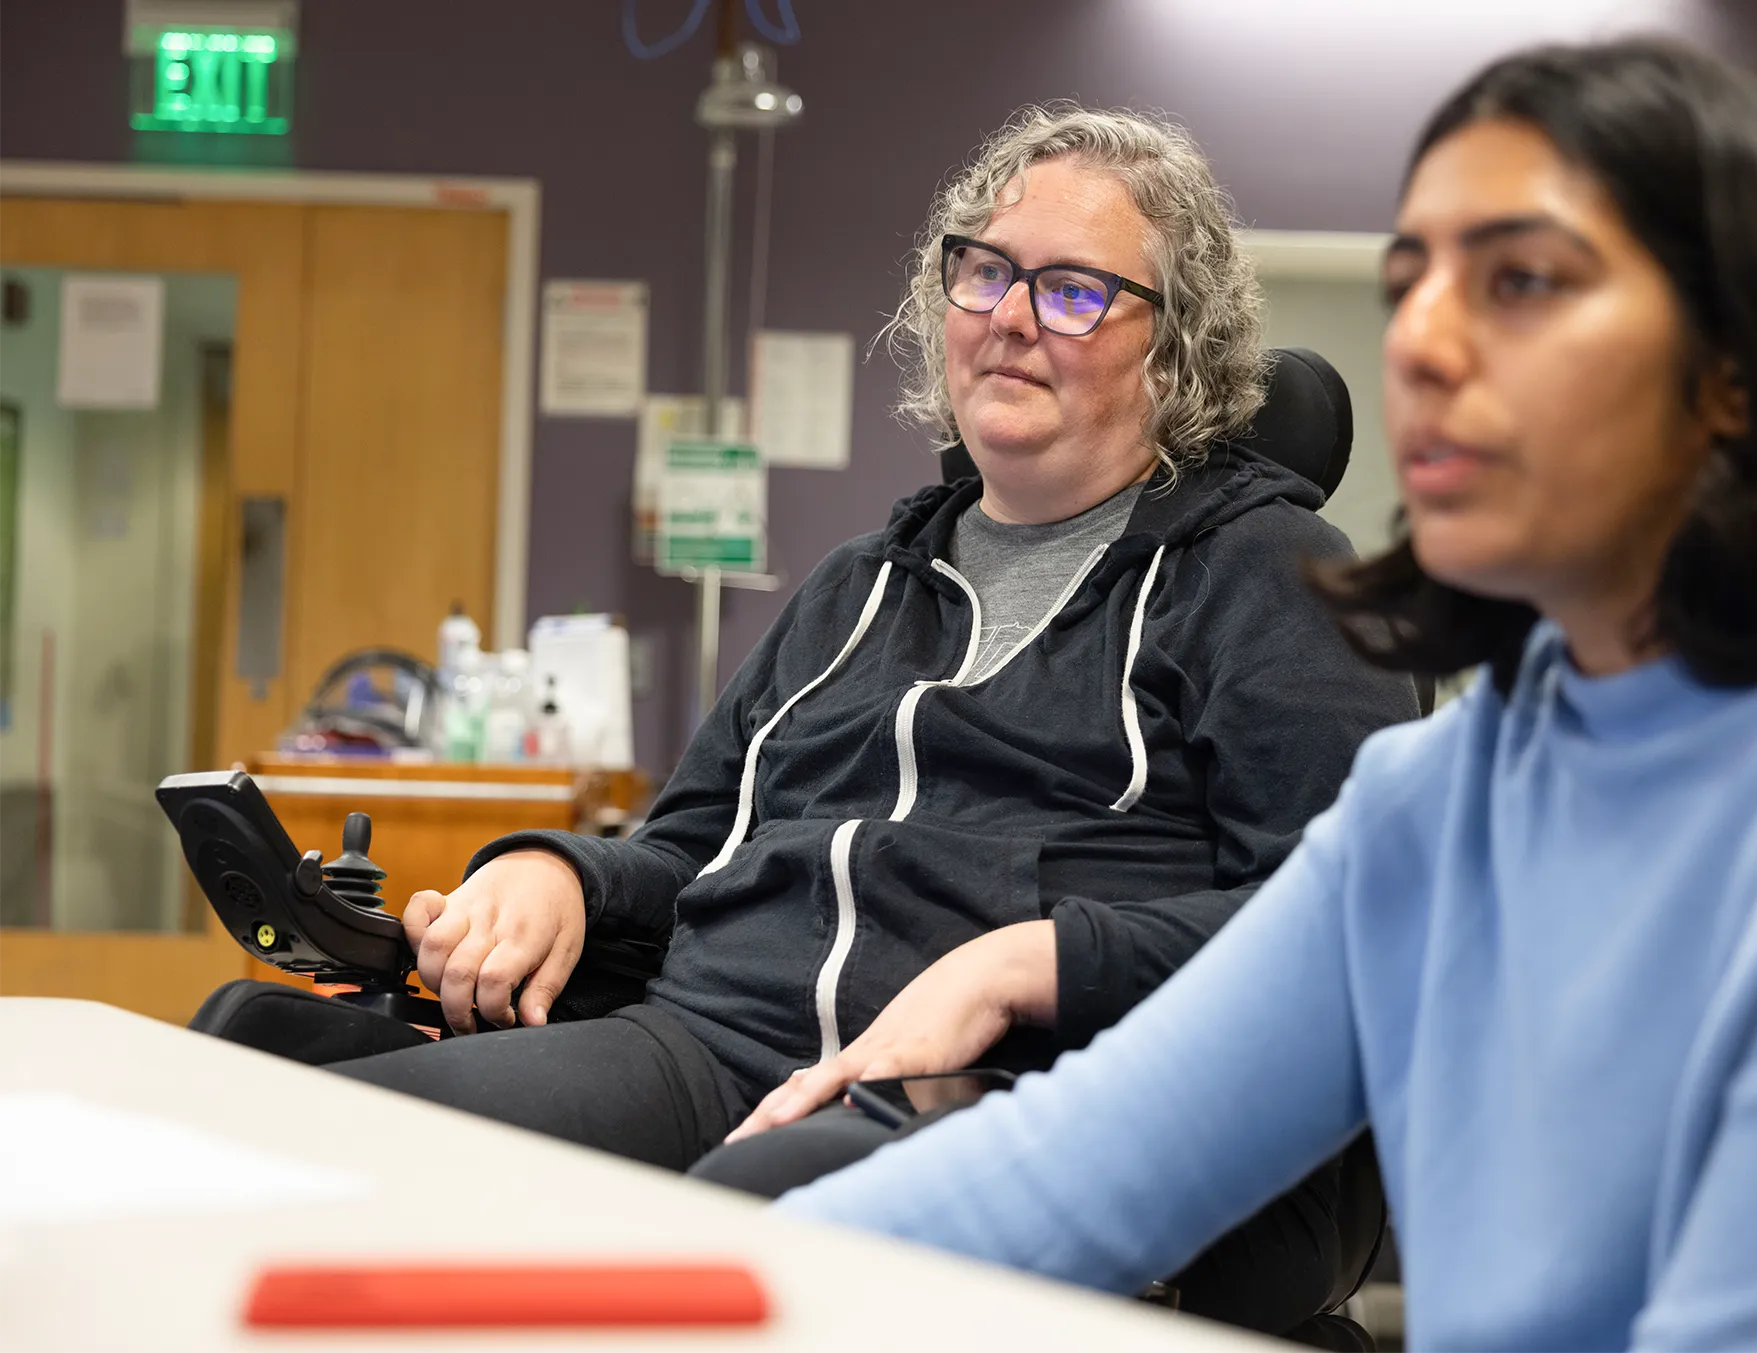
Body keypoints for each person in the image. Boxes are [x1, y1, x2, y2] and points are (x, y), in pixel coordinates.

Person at [777, 41, 1757, 1353]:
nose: (1422, 339)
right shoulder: (1452, 793)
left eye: (1521, 281)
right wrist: (713, 1278)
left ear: (1746, 364)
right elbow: (1081, 1165)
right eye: (1411, 280)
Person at [193, 105, 1415, 1330]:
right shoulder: (856, 587)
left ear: (1175, 348)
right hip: (707, 1045)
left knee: (746, 1234)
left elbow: (1353, 920)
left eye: (1074, 293)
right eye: (985, 272)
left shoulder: (1271, 578)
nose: (1008, 316)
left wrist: (1029, 961)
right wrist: (555, 873)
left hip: (1020, 1085)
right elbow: (690, 850)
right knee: (283, 1101)